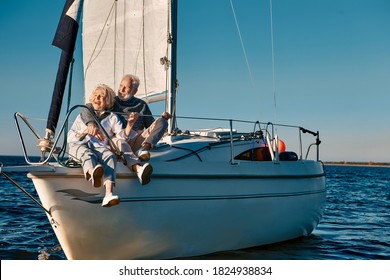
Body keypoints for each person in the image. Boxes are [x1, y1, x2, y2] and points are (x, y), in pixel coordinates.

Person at [68, 84, 153, 208]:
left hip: (99, 146)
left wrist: (129, 124)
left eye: (101, 96)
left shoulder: (112, 117)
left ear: (107, 101)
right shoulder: (82, 116)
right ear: (91, 98)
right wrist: (85, 132)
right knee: (87, 154)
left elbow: (122, 137)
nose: (97, 98)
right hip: (79, 144)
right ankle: (93, 173)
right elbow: (70, 137)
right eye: (95, 95)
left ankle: (108, 194)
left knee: (109, 156)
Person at [81, 74, 171, 161]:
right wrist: (91, 124)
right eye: (121, 86)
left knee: (162, 122)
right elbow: (88, 107)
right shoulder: (112, 101)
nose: (121, 90)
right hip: (117, 141)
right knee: (118, 140)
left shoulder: (142, 105)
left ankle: (144, 149)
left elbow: (151, 126)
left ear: (134, 91)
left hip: (136, 140)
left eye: (126, 88)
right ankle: (132, 161)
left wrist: (163, 118)